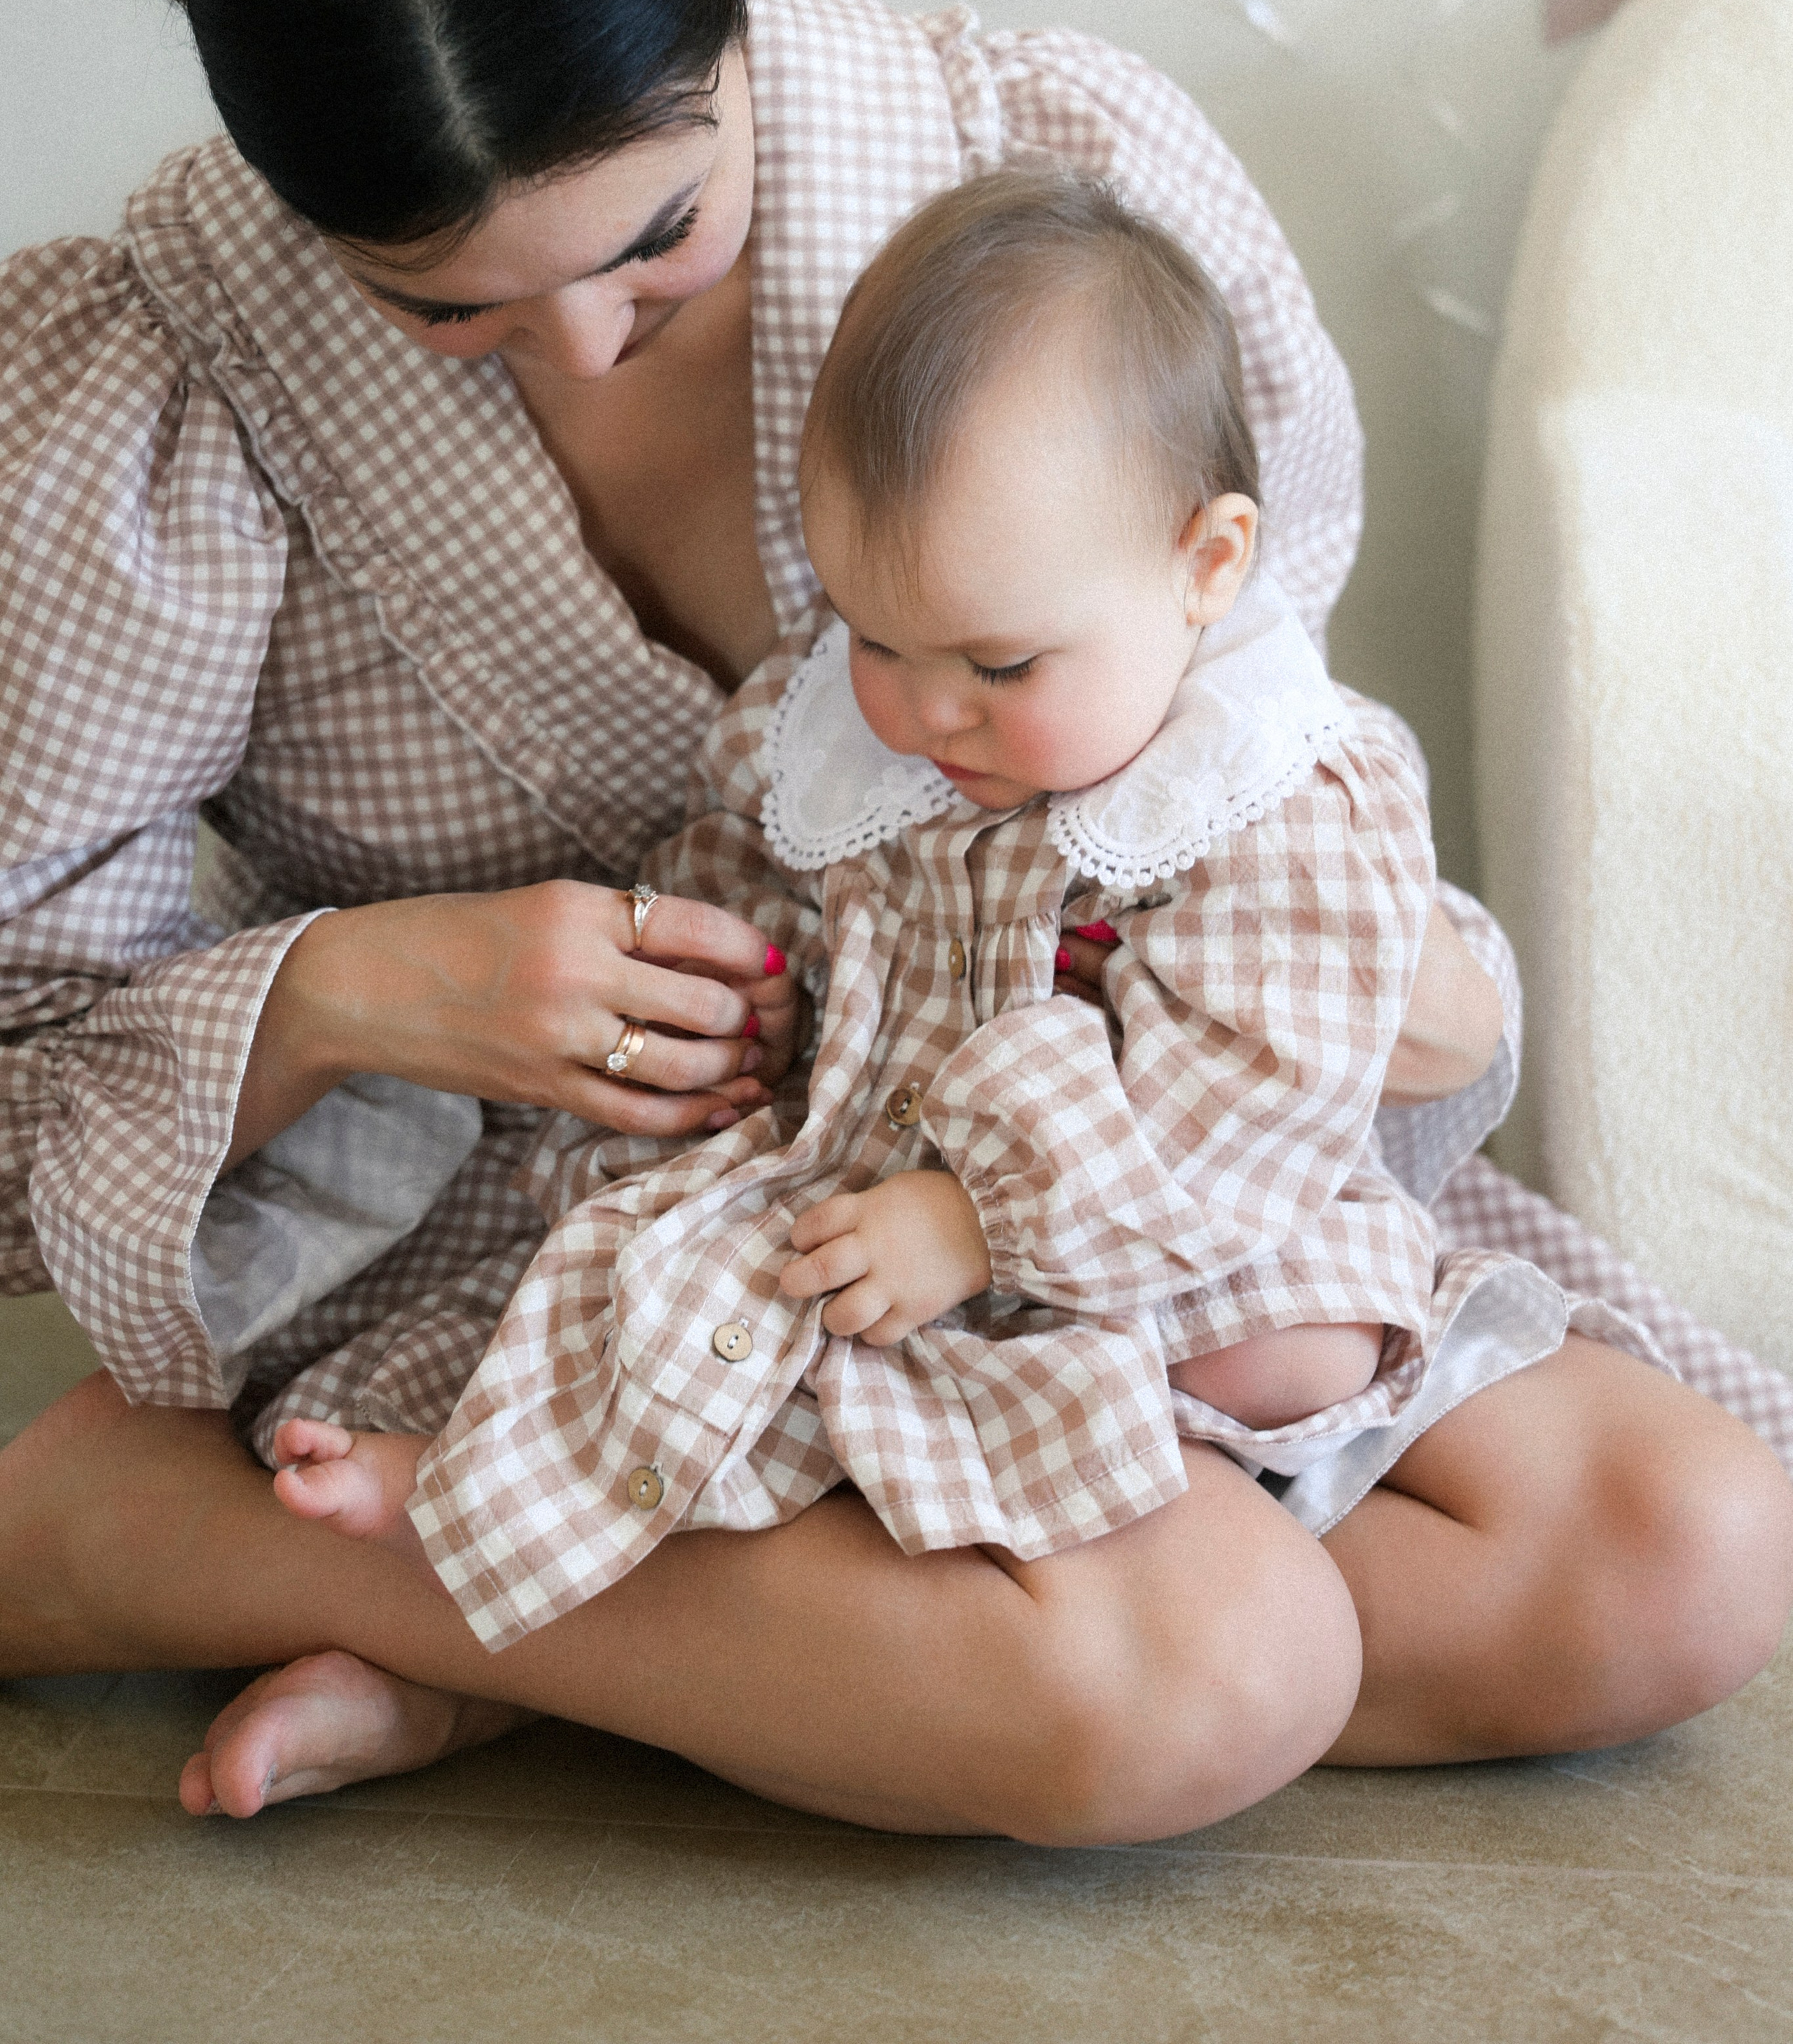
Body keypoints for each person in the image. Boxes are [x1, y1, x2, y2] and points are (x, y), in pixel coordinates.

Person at [2, 0, 1789, 1842]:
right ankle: (165, 1535)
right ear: (281, 191)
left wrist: (1386, 992)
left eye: (660, 244)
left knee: (1675, 1563)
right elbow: (26, 1036)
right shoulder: (160, 380)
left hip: (1092, 1172)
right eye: (443, 311)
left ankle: (540, 1654)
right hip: (569, 1230)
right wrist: (357, 988)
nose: (576, 351)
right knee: (1204, 1672)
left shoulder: (1054, 207)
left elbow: (1242, 773)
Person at [270, 165, 1539, 1644]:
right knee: (685, 1291)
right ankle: (464, 1534)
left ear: (1205, 566)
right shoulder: (832, 734)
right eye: (874, 632)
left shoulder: (1270, 789)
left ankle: (534, 1595)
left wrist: (979, 1222)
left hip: (1148, 1215)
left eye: (1000, 666)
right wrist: (740, 1001)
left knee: (1300, 1344)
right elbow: (741, 880)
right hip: (860, 1182)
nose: (927, 710)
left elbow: (1249, 1087)